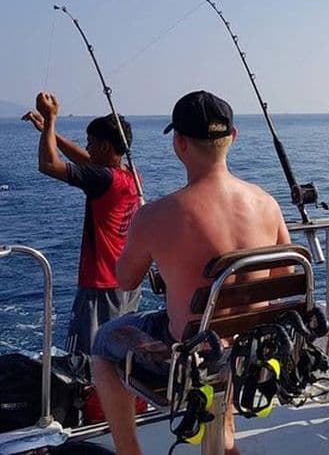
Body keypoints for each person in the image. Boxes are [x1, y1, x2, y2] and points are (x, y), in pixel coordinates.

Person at [91, 90, 291, 455]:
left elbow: (125, 280)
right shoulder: (267, 203)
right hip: (253, 351)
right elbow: (284, 271)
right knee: (230, 326)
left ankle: (128, 451)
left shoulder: (156, 215)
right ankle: (225, 436)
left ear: (179, 143)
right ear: (232, 137)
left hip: (189, 357)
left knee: (104, 343)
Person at [22, 92, 141, 355]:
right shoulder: (129, 175)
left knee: (87, 357)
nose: (87, 147)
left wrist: (51, 118)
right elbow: (86, 161)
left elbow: (48, 165)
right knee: (117, 353)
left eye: (91, 142)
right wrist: (47, 130)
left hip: (99, 285)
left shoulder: (102, 179)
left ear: (106, 147)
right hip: (126, 282)